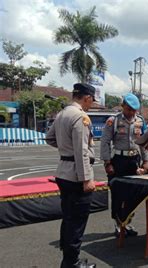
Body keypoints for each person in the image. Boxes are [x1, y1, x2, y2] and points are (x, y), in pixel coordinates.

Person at [46, 83, 97, 268]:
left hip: (63, 172)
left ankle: (68, 258)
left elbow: (49, 138)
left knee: (68, 217)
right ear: (87, 98)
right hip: (77, 176)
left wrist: (65, 149)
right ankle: (71, 263)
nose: (91, 104)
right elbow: (82, 151)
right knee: (77, 221)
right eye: (92, 100)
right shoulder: (81, 117)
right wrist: (86, 179)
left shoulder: (62, 114)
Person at [100, 93, 148, 237]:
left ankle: (127, 222)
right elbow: (105, 142)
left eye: (134, 110)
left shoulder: (140, 121)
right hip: (118, 161)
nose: (131, 113)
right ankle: (118, 224)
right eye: (129, 109)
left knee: (133, 194)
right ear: (123, 107)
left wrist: (145, 161)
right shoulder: (112, 121)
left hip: (134, 162)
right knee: (117, 193)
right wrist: (107, 163)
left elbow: (144, 143)